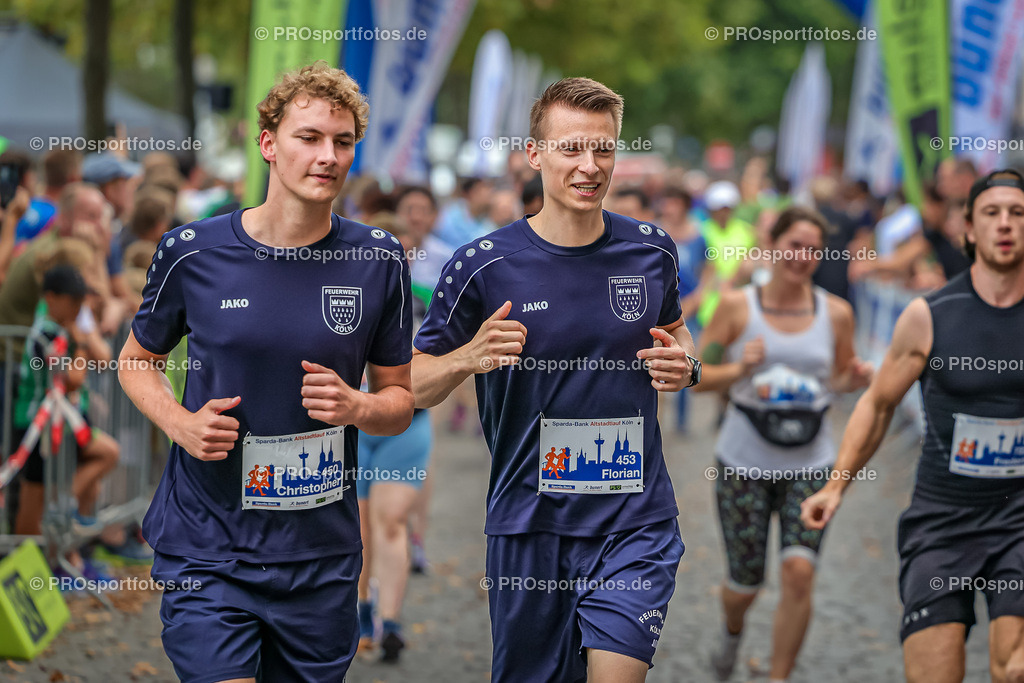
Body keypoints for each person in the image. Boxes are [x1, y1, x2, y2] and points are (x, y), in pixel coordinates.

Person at [117, 61, 414, 682]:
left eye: (342, 142)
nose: (328, 155)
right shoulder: (192, 252)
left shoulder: (378, 259)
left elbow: (398, 400)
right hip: (211, 546)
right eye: (309, 137)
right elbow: (135, 361)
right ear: (269, 144)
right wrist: (180, 423)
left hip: (320, 557)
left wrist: (359, 407)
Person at [412, 77, 694, 682]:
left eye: (604, 149)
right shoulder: (482, 265)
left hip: (634, 520)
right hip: (529, 524)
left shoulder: (651, 251)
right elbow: (410, 382)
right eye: (571, 149)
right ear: (534, 155)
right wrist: (468, 357)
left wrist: (685, 364)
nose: (590, 166)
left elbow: (677, 332)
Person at [801, 169, 1024, 683]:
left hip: (1018, 520)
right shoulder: (931, 316)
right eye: (992, 213)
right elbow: (878, 405)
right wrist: (836, 487)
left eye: (1017, 213)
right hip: (943, 522)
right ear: (967, 229)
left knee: (1012, 669)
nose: (1005, 224)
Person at [694, 206, 873, 682]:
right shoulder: (737, 307)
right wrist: (739, 370)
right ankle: (732, 632)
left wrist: (851, 379)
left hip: (811, 461)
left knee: (799, 572)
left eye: (814, 248)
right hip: (743, 462)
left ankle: (778, 677)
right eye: (795, 244)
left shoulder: (836, 312)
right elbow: (696, 378)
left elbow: (836, 377)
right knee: (744, 585)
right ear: (773, 244)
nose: (804, 256)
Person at [354, 211, 434, 663]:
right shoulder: (347, 295)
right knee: (361, 528)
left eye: (403, 251)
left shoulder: (426, 299)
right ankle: (363, 610)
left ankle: (393, 620)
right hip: (354, 426)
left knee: (391, 521)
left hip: (408, 423)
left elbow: (446, 358)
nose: (396, 259)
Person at [13, 264, 120, 541]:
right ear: (50, 297)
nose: (78, 307)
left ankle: (61, 513)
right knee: (30, 505)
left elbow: (103, 361)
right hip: (36, 426)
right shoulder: (47, 332)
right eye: (73, 300)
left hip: (59, 423)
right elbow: (73, 378)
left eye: (80, 299)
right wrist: (82, 344)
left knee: (106, 454)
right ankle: (22, 567)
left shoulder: (60, 328)